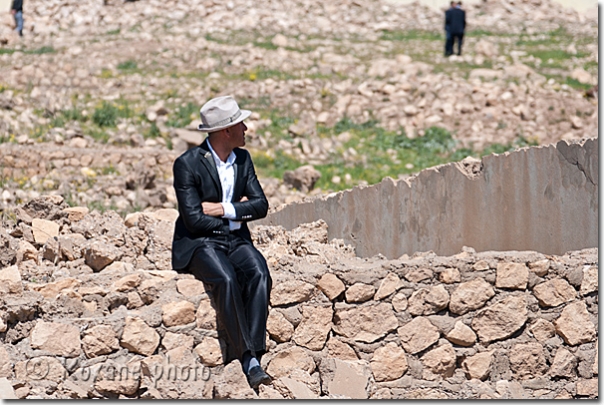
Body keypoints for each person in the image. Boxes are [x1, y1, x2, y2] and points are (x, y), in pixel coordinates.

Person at [171, 95, 272, 390]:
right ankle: (249, 359)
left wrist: (221, 208)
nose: (247, 129)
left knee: (259, 274)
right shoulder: (187, 164)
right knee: (227, 279)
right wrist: (240, 212)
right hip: (200, 243)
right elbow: (193, 220)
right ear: (227, 130)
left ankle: (254, 350)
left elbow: (261, 205)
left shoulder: (243, 159)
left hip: (235, 239)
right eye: (241, 123)